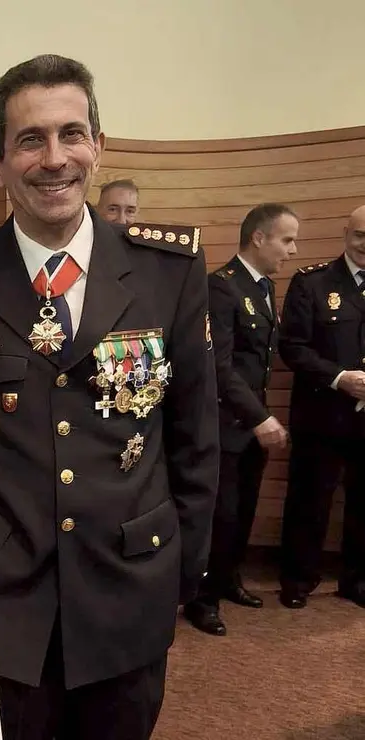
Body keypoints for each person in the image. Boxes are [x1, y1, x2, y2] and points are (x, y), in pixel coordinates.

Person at [0, 54, 218, 740]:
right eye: (29, 140)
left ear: (98, 147)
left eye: (70, 134)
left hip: (126, 590)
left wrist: (180, 573)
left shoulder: (169, 269)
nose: (54, 159)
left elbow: (196, 436)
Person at [183, 203, 296, 636]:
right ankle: (202, 599)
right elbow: (220, 366)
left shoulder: (264, 288)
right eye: (286, 239)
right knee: (221, 516)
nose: (292, 249)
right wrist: (259, 417)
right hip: (225, 425)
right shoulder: (222, 287)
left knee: (244, 510)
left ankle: (229, 581)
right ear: (259, 238)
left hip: (249, 427)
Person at [278, 204, 365, 610]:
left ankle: (356, 580)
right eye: (360, 234)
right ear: (346, 233)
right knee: (309, 501)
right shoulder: (311, 283)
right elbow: (292, 347)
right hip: (322, 415)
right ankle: (298, 579)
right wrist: (339, 378)